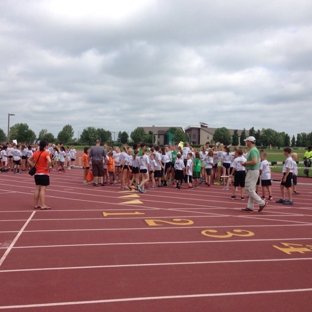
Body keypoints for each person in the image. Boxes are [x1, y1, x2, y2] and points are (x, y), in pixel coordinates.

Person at [241, 136, 267, 212]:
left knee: (248, 189)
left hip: (252, 171)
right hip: (253, 170)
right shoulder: (254, 150)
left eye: (247, 141)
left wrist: (245, 163)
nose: (246, 142)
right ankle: (250, 206)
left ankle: (262, 202)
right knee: (251, 189)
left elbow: (255, 161)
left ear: (250, 141)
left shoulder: (253, 150)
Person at [28, 139, 51, 210]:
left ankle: (36, 204)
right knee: (42, 190)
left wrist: (33, 165)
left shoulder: (35, 153)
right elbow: (49, 161)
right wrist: (47, 167)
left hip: (37, 173)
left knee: (37, 189)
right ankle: (43, 205)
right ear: (45, 146)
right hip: (44, 173)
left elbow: (29, 159)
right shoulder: (46, 153)